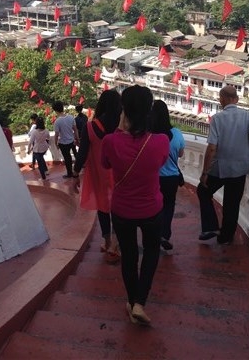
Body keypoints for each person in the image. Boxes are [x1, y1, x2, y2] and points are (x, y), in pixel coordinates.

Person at [101, 85, 169, 326]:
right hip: (151, 208)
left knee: (129, 257)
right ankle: (140, 301)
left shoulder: (110, 141)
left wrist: (120, 131)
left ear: (124, 110)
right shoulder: (161, 141)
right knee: (151, 252)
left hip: (121, 209)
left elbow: (106, 164)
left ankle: (131, 301)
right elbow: (159, 164)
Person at [198, 85, 249, 245]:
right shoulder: (248, 116)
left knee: (203, 191)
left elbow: (211, 148)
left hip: (219, 168)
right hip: (240, 168)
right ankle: (225, 237)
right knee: (232, 204)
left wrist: (205, 172)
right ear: (236, 100)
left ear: (221, 99)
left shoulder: (217, 118)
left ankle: (210, 226)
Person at [73, 90, 122, 258]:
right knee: (118, 206)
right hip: (120, 174)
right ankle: (116, 241)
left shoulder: (90, 127)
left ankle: (107, 240)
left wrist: (75, 174)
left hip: (98, 174)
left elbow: (82, 153)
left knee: (102, 206)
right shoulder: (122, 127)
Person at [150, 100, 185, 251]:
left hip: (154, 178)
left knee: (154, 207)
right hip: (171, 177)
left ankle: (153, 234)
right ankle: (165, 234)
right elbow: (181, 154)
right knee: (168, 206)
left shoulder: (149, 135)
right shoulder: (176, 134)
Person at [52, 100, 79, 178]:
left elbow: (56, 135)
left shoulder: (57, 122)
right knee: (74, 155)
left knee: (67, 159)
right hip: (71, 141)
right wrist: (77, 138)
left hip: (63, 143)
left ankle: (70, 173)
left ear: (56, 110)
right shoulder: (71, 117)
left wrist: (55, 143)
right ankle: (76, 171)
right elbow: (75, 129)